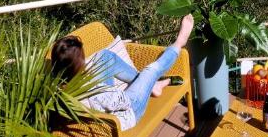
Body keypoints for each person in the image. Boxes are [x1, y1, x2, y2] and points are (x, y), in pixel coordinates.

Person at [51, 14, 194, 130]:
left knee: (105, 56)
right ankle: (180, 42)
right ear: (77, 64)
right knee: (150, 72)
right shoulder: (92, 91)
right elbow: (122, 102)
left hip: (107, 101)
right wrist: (143, 83)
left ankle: (154, 86)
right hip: (128, 111)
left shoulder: (57, 86)